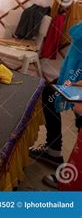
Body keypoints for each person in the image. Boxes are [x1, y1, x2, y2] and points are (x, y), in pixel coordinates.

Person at [29, 21, 82, 188]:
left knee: (80, 122)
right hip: (74, 75)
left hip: (77, 76)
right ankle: (54, 151)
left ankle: (73, 181)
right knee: (50, 92)